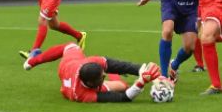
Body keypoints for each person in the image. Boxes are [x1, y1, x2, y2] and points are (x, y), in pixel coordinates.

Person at [22, 42, 161, 103]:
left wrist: (141, 69)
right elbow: (124, 98)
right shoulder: (83, 95)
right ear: (91, 84)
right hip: (71, 84)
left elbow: (114, 64)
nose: (104, 75)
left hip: (70, 65)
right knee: (122, 86)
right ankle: (118, 76)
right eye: (102, 77)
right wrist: (141, 82)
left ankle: (32, 61)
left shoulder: (84, 63)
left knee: (71, 45)